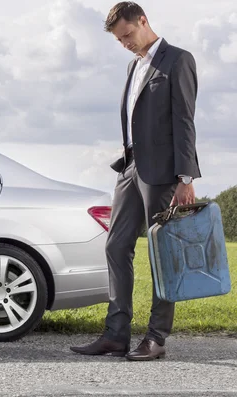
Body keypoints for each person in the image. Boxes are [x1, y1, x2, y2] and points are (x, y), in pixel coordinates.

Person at [70, 1, 201, 361]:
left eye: (127, 34)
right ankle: (115, 334)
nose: (125, 43)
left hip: (163, 172)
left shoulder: (178, 60)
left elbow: (184, 121)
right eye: (119, 40)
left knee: (162, 255)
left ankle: (156, 338)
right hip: (130, 168)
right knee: (116, 245)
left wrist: (185, 177)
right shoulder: (134, 65)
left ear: (143, 21)